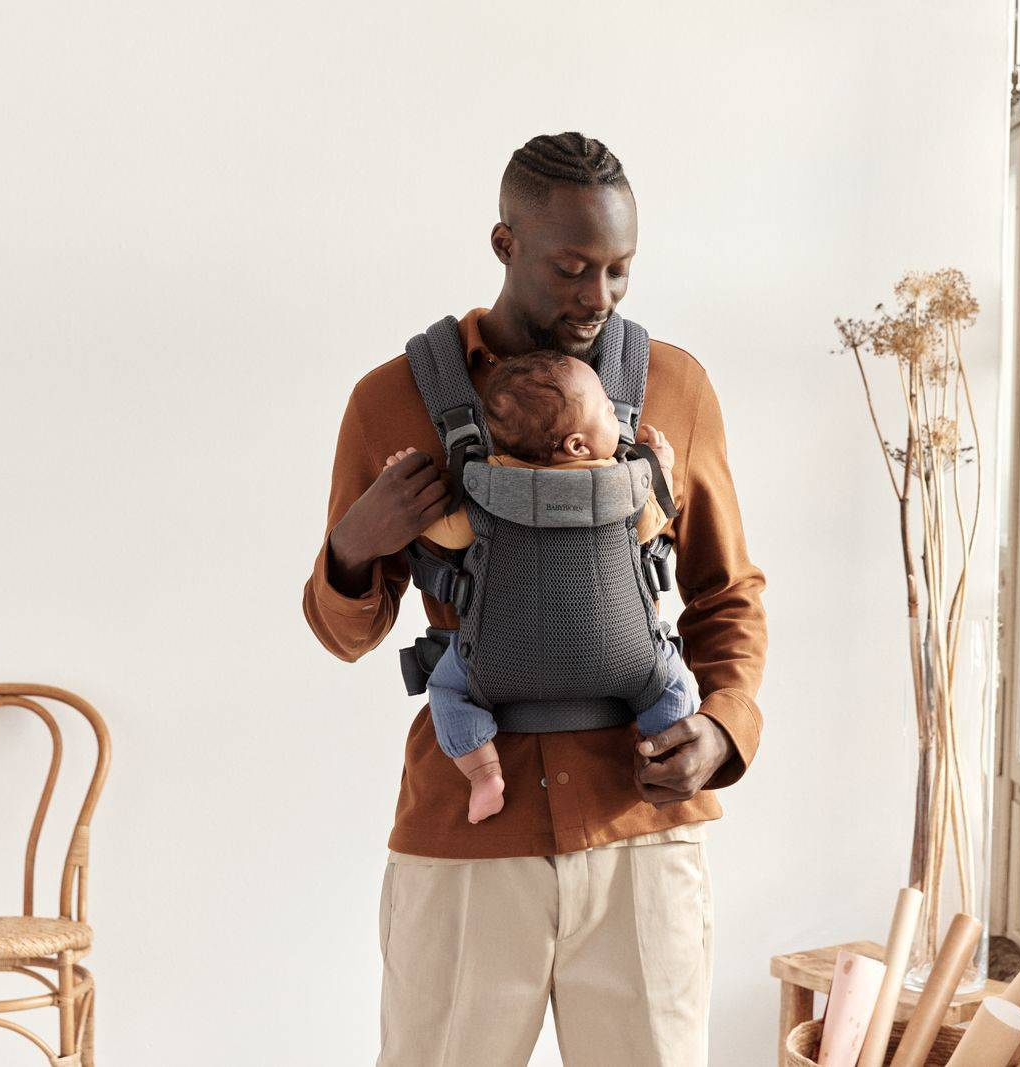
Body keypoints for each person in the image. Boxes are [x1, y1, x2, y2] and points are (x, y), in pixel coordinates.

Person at [301, 130, 767, 1066]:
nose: (599, 296)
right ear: (505, 243)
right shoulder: (391, 400)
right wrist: (354, 545)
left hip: (642, 827)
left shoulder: (673, 386)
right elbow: (346, 634)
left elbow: (726, 592)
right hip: (467, 833)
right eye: (572, 267)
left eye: (620, 269)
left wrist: (723, 729)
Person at [383, 349, 697, 825]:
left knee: (445, 689)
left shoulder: (486, 490)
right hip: (628, 660)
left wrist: (407, 495)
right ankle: (658, 755)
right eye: (607, 409)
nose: (615, 413)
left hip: (495, 663)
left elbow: (444, 532)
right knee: (673, 681)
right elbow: (655, 522)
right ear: (577, 445)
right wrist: (664, 468)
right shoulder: (628, 487)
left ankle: (484, 774)